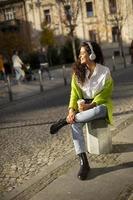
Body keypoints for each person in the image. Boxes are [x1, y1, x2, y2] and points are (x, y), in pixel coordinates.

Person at [50, 41, 113, 180]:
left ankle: (63, 122)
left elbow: (106, 94)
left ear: (92, 54)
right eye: (80, 53)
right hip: (82, 109)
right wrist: (72, 110)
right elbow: (73, 94)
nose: (80, 56)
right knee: (75, 125)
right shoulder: (78, 73)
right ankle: (84, 163)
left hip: (100, 105)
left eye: (83, 52)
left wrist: (91, 105)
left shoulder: (104, 71)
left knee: (97, 111)